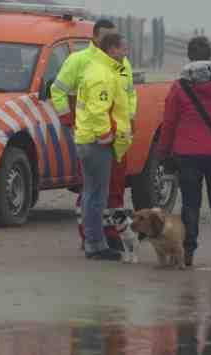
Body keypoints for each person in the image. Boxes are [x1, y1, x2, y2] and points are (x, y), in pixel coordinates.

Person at [156, 36, 211, 267]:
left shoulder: (179, 86)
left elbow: (169, 123)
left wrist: (164, 152)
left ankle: (188, 251)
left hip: (186, 155)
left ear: (189, 56)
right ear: (210, 55)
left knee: (190, 205)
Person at [50, 19, 137, 251]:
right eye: (108, 38)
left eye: (115, 38)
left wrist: (130, 119)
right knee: (93, 189)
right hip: (95, 135)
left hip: (118, 136)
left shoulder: (121, 64)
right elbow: (57, 91)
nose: (112, 42)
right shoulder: (80, 61)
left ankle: (110, 233)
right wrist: (68, 119)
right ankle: (90, 236)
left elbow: (129, 93)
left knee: (115, 188)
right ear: (96, 37)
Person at [74, 33, 130, 260]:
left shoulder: (98, 69)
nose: (125, 52)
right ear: (112, 49)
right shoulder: (102, 74)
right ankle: (96, 243)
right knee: (98, 195)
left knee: (91, 192)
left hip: (87, 138)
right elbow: (99, 109)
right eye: (122, 48)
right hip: (96, 142)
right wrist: (106, 136)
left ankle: (92, 241)